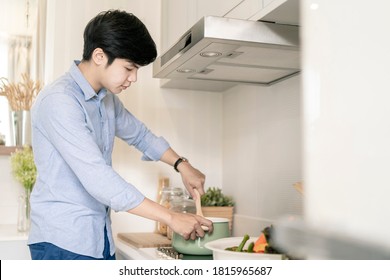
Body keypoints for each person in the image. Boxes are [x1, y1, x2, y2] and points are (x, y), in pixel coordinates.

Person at [28, 10, 213, 260]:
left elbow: (140, 135)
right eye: (129, 68)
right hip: (62, 242)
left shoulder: (106, 101)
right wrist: (170, 217)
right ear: (99, 56)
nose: (134, 78)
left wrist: (182, 165)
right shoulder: (59, 101)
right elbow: (98, 178)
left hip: (99, 237)